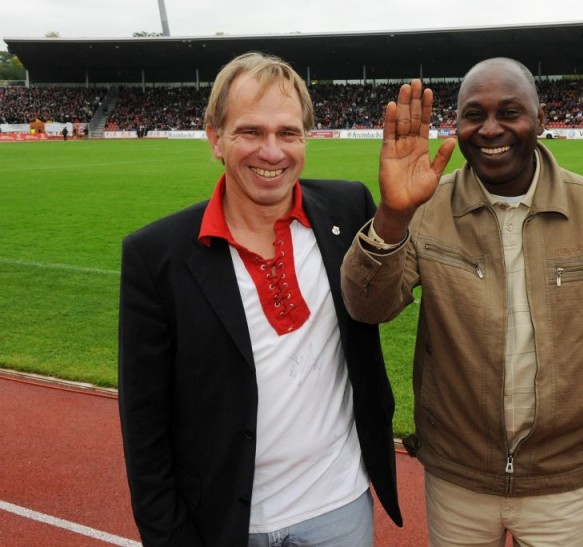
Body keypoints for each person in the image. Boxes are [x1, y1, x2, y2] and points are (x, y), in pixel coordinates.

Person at [341, 57, 583, 546]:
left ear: (540, 119)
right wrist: (392, 214)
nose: (490, 128)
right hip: (458, 476)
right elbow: (368, 307)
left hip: (562, 480)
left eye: (509, 112)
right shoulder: (426, 208)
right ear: (458, 123)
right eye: (474, 114)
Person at [118, 52, 402, 546]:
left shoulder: (348, 208)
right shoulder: (155, 255)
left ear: (305, 139)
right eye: (250, 132)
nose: (272, 152)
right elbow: (144, 424)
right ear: (215, 139)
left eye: (288, 133)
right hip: (226, 522)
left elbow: (385, 299)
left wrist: (396, 215)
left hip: (339, 507)